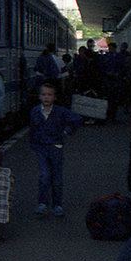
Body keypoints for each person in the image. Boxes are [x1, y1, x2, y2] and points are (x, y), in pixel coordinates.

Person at [28, 80, 83, 217]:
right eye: (44, 95)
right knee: (44, 176)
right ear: (39, 96)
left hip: (55, 147)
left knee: (56, 178)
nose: (46, 97)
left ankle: (57, 205)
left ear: (55, 97)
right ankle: (43, 203)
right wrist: (34, 144)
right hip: (41, 147)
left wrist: (66, 131)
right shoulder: (35, 111)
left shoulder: (60, 112)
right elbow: (32, 130)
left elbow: (77, 119)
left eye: (49, 95)